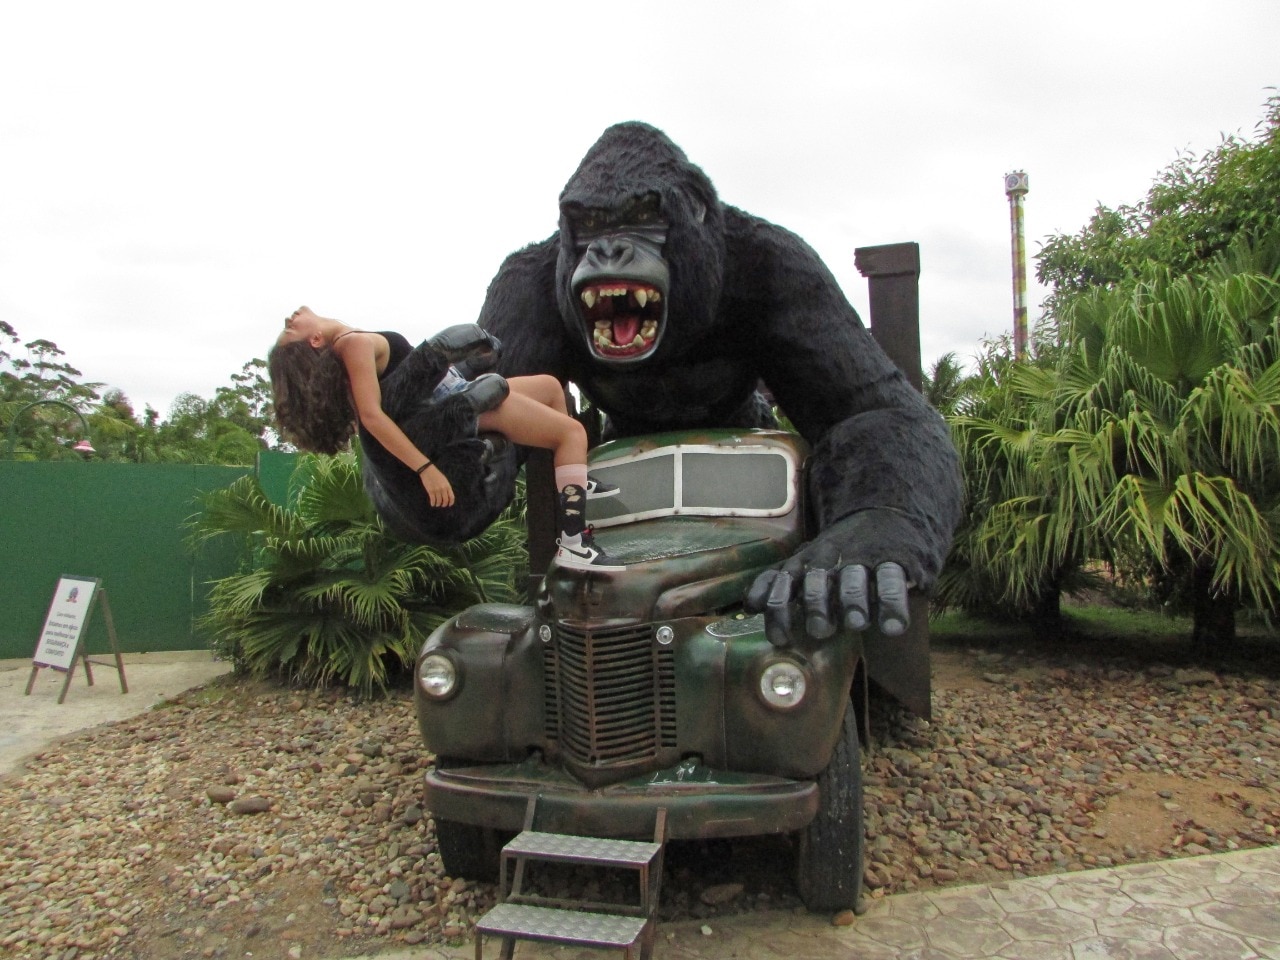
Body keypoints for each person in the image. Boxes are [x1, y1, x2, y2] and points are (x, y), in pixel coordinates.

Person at [268, 306, 621, 570]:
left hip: (457, 388)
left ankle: (572, 482)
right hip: (458, 405)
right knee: (572, 433)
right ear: (315, 341)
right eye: (290, 329)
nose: (292, 317)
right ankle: (575, 544)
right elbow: (374, 418)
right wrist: (425, 469)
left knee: (548, 386)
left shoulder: (352, 343)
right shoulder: (351, 344)